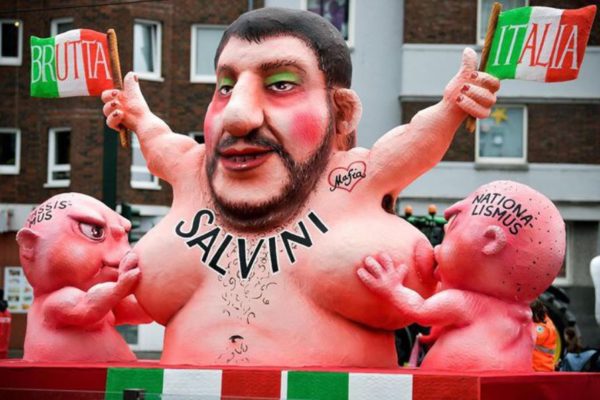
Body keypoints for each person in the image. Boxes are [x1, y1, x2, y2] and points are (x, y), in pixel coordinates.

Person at [101, 7, 499, 367]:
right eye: (226, 87)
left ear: (342, 112)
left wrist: (452, 108)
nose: (237, 116)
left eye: (281, 84)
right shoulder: (192, 173)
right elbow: (157, 141)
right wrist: (137, 116)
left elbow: (413, 141)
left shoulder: (353, 179)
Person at [357, 181, 566, 371]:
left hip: (453, 386)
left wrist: (393, 288)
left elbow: (420, 309)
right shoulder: (521, 316)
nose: (437, 248)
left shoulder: (466, 302)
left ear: (492, 242)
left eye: (448, 237)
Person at [16, 193, 151, 362]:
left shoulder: (109, 296)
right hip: (66, 377)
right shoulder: (54, 301)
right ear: (30, 246)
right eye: (95, 232)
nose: (123, 252)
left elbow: (144, 311)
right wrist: (120, 287)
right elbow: (86, 307)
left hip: (115, 375)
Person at [531, 299, 557, 372]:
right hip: (539, 367)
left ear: (535, 313)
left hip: (540, 368)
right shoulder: (545, 321)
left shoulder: (543, 327)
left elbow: (534, 338)